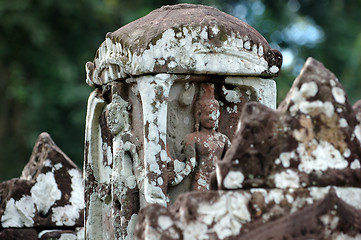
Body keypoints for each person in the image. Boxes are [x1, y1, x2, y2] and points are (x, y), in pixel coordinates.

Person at [169, 83, 231, 191]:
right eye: (208, 114)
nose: (212, 118)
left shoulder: (223, 139)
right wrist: (177, 178)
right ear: (199, 115)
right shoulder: (193, 138)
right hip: (201, 181)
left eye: (215, 114)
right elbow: (191, 165)